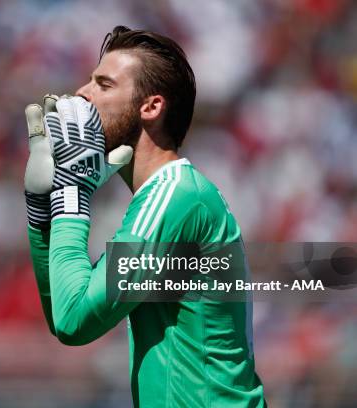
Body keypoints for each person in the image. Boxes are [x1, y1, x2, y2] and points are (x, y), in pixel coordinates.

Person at [23, 26, 266, 407]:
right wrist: (43, 212)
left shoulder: (177, 197)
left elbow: (74, 321)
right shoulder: (161, 200)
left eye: (103, 85)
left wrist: (73, 193)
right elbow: (63, 313)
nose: (82, 94)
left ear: (151, 107)